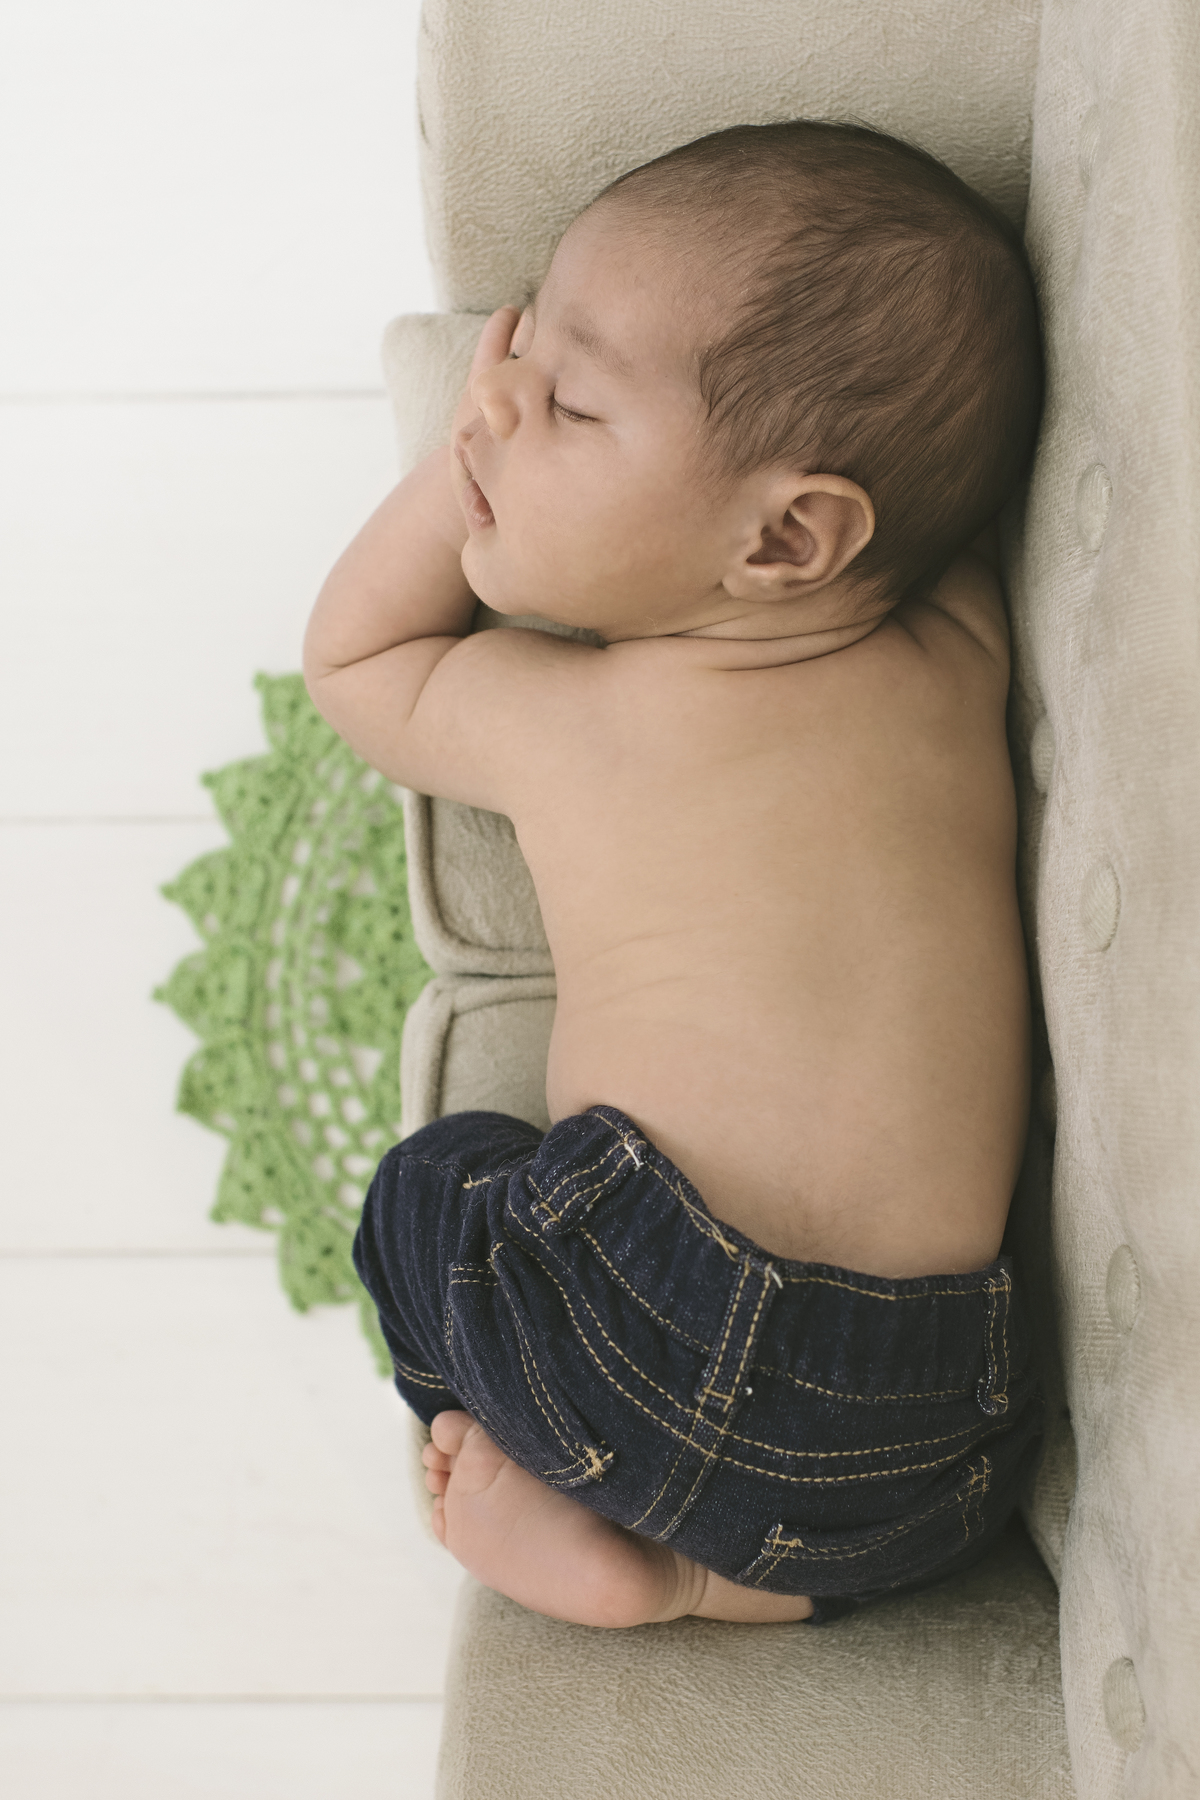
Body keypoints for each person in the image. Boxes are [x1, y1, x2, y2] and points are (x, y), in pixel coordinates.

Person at [302, 119, 1046, 1627]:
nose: (493, 393)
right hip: (928, 1426)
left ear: (788, 537)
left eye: (563, 401)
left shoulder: (574, 719)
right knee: (848, 1496)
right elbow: (935, 482)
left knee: (426, 1188)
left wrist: (463, 473)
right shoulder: (956, 654)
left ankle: (641, 1553)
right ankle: (718, 1580)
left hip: (646, 1319)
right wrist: (543, 424)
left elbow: (355, 660)